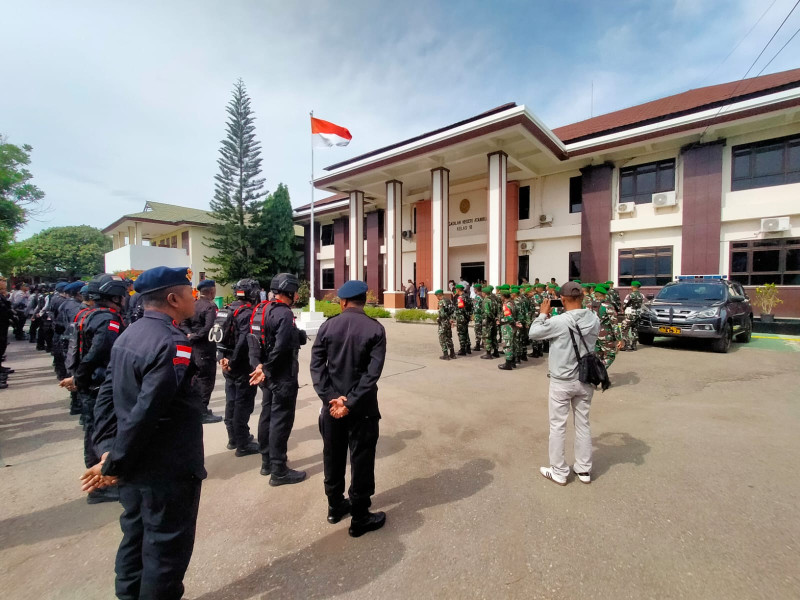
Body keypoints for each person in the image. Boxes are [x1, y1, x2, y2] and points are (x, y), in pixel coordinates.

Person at [84, 266, 204, 600]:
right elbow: (148, 410)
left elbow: (106, 399)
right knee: (164, 555)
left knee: (135, 539)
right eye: (188, 290)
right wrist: (115, 461)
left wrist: (109, 450)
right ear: (172, 298)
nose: (193, 296)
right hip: (164, 469)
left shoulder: (129, 334)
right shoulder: (173, 342)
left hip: (134, 464)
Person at [310, 280, 387, 537]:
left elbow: (317, 366)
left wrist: (332, 398)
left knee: (332, 455)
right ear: (364, 301)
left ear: (342, 302)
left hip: (331, 408)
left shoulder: (328, 326)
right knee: (361, 458)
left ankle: (334, 506)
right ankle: (360, 516)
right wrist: (350, 401)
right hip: (362, 408)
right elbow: (371, 374)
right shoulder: (375, 329)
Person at [61, 274, 127, 503]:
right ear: (114, 297)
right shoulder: (108, 318)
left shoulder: (85, 313)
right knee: (98, 430)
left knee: (94, 427)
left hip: (89, 381)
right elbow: (99, 351)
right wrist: (79, 378)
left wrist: (76, 376)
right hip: (99, 382)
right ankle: (99, 483)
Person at [528, 281, 601, 485]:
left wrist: (543, 314)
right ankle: (584, 469)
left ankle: (559, 471)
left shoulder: (560, 321)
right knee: (583, 424)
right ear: (582, 298)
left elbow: (533, 333)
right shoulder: (594, 319)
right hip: (586, 379)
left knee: (558, 426)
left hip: (562, 381)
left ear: (562, 299)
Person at [248, 273, 308, 485]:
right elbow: (282, 346)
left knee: (267, 415)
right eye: (295, 291)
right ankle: (279, 470)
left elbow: (252, 341)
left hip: (265, 375)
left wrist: (258, 366)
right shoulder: (283, 313)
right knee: (281, 421)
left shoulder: (260, 309)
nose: (297, 294)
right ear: (289, 291)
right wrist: (268, 367)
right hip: (281, 375)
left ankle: (266, 462)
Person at [219, 278, 260, 456]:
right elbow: (243, 342)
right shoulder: (247, 313)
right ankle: (243, 444)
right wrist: (233, 362)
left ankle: (233, 438)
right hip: (241, 365)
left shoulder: (226, 309)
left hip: (226, 363)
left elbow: (217, 337)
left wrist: (222, 359)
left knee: (231, 401)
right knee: (242, 404)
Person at [185, 279, 223, 424]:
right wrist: (197, 336)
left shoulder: (193, 304)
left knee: (196, 379)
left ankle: (200, 409)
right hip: (206, 348)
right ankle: (202, 411)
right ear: (211, 291)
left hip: (193, 348)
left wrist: (190, 335)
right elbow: (210, 327)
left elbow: (184, 323)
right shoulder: (209, 306)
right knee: (206, 380)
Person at [592, 284, 624, 368]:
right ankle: (598, 372)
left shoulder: (589, 306)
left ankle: (595, 374)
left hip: (593, 334)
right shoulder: (608, 306)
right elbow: (614, 324)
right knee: (610, 356)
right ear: (604, 295)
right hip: (605, 334)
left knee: (598, 355)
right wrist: (619, 339)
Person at [622, 281, 645, 351]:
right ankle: (634, 345)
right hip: (638, 314)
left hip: (630, 315)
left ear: (632, 286)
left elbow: (624, 305)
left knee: (624, 329)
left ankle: (627, 345)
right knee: (635, 329)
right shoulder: (642, 295)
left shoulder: (630, 295)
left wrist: (623, 309)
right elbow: (643, 304)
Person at [497, 286, 516, 371]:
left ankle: (508, 364)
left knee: (507, 345)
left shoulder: (506, 305)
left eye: (501, 296)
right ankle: (513, 362)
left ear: (503, 297)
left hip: (507, 327)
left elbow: (509, 318)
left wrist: (500, 321)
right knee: (511, 344)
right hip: (512, 327)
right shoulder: (512, 303)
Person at [433, 289, 455, 360]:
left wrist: (438, 319)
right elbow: (453, 311)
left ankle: (445, 354)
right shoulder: (449, 300)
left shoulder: (441, 302)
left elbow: (442, 314)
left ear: (439, 295)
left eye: (437, 296)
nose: (437, 297)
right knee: (449, 337)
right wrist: (451, 319)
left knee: (442, 338)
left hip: (443, 322)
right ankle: (452, 353)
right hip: (448, 322)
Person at [453, 284, 471, 355]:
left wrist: (454, 316)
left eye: (456, 290)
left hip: (461, 317)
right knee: (466, 332)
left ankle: (462, 349)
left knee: (461, 333)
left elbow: (460, 309)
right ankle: (468, 347)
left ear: (458, 290)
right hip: (466, 317)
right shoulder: (467, 296)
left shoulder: (460, 298)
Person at [471, 283, 484, 352]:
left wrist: (473, 314)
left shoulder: (477, 297)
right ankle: (483, 343)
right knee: (482, 329)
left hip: (478, 316)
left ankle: (477, 345)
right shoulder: (483, 296)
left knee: (478, 330)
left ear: (476, 290)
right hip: (483, 316)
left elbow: (476, 308)